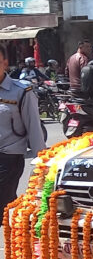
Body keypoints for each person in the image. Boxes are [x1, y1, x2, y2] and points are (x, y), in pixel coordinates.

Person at [0, 45, 46, 221]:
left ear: (5, 62)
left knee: (3, 203)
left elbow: (34, 127)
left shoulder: (21, 91)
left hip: (8, 157)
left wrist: (42, 162)